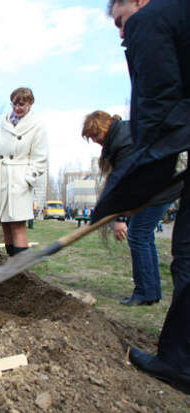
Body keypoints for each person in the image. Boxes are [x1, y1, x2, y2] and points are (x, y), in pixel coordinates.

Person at [94, 0, 190, 394]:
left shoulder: (150, 21)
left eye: (120, 21)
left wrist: (119, 201)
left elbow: (160, 116)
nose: (121, 33)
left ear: (137, 2)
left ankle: (179, 361)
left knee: (186, 253)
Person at [82, 110, 179, 306]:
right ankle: (151, 292)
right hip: (160, 188)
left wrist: (120, 220)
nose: (94, 140)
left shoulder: (123, 142)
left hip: (158, 191)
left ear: (106, 125)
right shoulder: (123, 134)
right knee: (144, 237)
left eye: (96, 135)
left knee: (138, 236)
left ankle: (144, 292)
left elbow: (126, 184)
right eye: (91, 137)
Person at [0, 87, 48, 257]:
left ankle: (20, 270)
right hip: (2, 180)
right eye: (14, 104)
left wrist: (28, 178)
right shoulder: (1, 123)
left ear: (30, 103)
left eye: (22, 104)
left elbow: (40, 158)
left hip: (20, 181)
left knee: (18, 226)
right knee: (5, 225)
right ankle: (11, 264)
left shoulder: (37, 126)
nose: (17, 108)